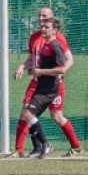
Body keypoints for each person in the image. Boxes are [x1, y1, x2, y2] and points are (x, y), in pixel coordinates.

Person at [13, 7, 83, 157]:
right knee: (26, 112)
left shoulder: (56, 38)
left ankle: (75, 146)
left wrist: (58, 74)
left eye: (44, 16)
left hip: (52, 83)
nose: (40, 18)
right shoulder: (34, 37)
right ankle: (20, 150)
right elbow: (32, 59)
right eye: (39, 15)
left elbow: (69, 60)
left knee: (56, 116)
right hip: (37, 81)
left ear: (51, 19)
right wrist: (22, 66)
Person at [17, 18, 69, 159]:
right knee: (29, 115)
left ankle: (44, 145)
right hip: (42, 85)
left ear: (54, 30)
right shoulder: (45, 45)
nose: (43, 29)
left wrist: (40, 72)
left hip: (49, 88)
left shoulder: (55, 46)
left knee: (28, 114)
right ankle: (40, 147)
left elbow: (61, 69)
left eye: (47, 27)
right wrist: (31, 69)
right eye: (42, 26)